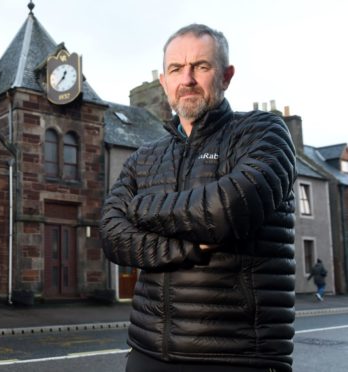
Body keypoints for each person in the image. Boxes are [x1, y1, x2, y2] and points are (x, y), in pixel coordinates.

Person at [100, 24, 297, 372]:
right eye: (176, 69)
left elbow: (228, 210)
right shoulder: (144, 156)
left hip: (237, 356)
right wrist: (186, 247)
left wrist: (141, 208)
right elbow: (113, 236)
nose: (187, 78)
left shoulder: (263, 132)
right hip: (148, 352)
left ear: (226, 75)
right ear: (164, 82)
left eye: (201, 66)